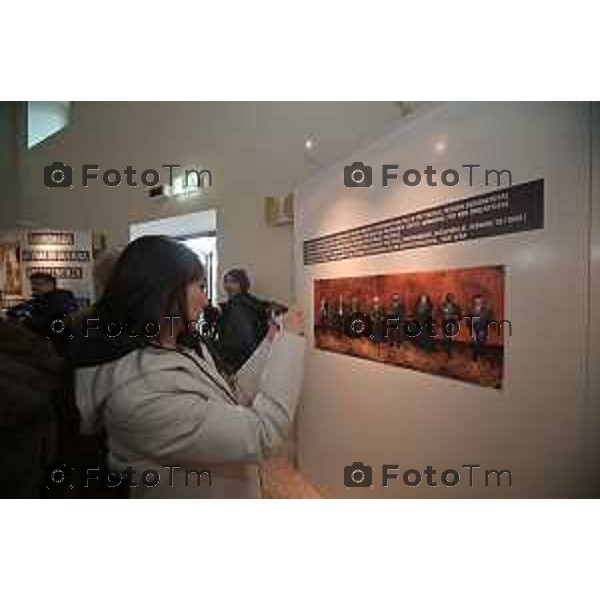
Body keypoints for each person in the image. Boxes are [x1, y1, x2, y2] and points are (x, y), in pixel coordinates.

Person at [70, 236, 305, 499]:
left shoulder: (184, 346)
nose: (206, 301)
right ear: (163, 290)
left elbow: (232, 396)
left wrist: (270, 345)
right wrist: (291, 340)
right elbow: (264, 434)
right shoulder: (139, 392)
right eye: (198, 286)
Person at [216, 268, 272, 372]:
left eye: (233, 282)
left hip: (239, 363)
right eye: (226, 281)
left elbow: (244, 339)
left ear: (242, 284)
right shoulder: (251, 303)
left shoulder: (237, 306)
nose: (228, 286)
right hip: (254, 362)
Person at [7, 272, 79, 335]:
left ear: (50, 284)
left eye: (38, 284)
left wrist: (26, 321)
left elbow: (57, 325)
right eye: (32, 284)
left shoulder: (62, 301)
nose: (33, 287)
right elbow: (12, 312)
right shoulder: (37, 300)